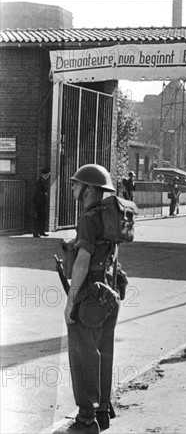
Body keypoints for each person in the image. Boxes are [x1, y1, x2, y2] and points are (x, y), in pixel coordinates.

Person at [63, 164, 120, 434]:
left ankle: (86, 421)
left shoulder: (88, 219)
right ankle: (103, 411)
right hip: (109, 294)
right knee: (103, 352)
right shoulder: (109, 216)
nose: (74, 187)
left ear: (90, 189)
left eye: (77, 184)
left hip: (90, 297)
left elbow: (83, 262)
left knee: (83, 355)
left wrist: (71, 301)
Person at [33, 167, 50, 237]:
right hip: (40, 203)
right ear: (45, 174)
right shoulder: (40, 182)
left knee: (43, 217)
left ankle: (41, 231)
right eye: (48, 174)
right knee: (39, 217)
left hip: (42, 202)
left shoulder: (43, 181)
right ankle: (36, 232)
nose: (49, 175)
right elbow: (39, 193)